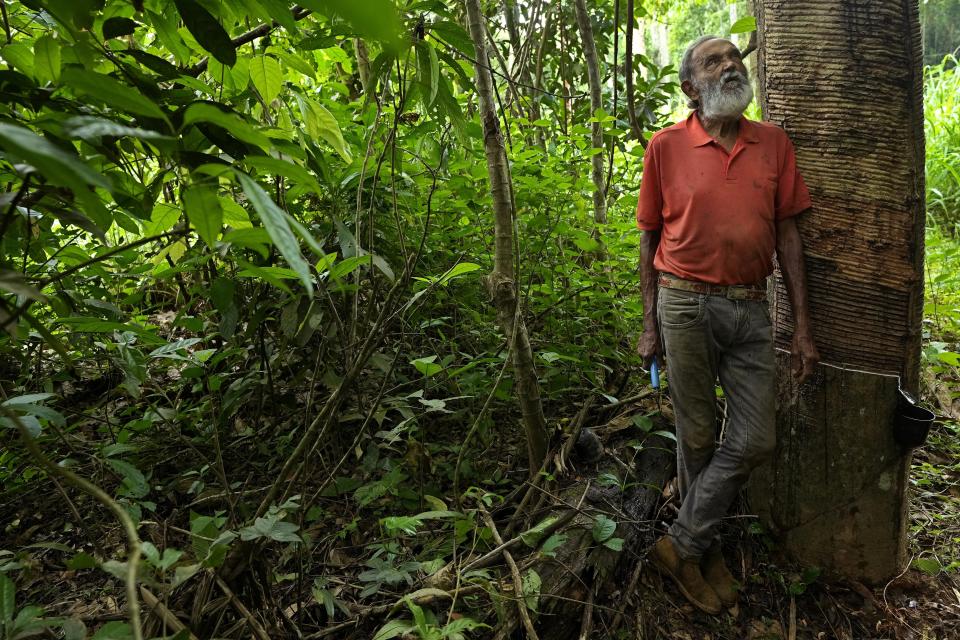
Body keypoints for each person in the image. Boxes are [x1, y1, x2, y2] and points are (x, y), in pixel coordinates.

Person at [636, 35, 820, 614]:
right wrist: (649, 324)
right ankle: (702, 551)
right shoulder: (666, 147)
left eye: (734, 58)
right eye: (714, 61)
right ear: (691, 88)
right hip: (684, 304)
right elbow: (647, 238)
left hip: (750, 308)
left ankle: (681, 543)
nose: (731, 66)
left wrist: (804, 326)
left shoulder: (773, 144)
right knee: (695, 436)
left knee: (756, 438)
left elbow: (789, 235)